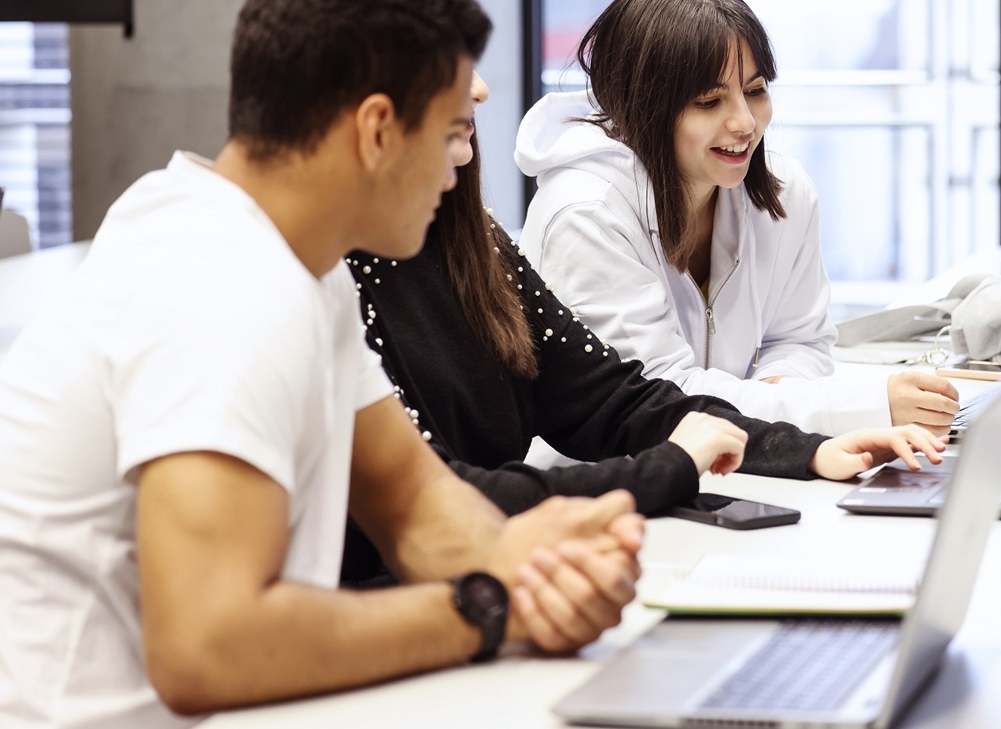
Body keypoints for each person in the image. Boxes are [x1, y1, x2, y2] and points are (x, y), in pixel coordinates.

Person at [0, 0, 643, 728]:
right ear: (375, 131)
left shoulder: (295, 261)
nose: (452, 172)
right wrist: (489, 608)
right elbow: (209, 647)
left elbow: (410, 500)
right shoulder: (223, 281)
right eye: (446, 134)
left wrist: (528, 564)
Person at [340, 73, 946, 580]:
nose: (479, 89)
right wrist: (671, 466)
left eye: (755, 90)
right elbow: (449, 498)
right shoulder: (331, 282)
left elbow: (612, 398)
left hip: (493, 570)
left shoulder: (468, 240)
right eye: (709, 100)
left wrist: (804, 450)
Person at [516, 0, 960, 438]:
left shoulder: (784, 193)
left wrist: (779, 404)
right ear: (640, 104)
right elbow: (655, 400)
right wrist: (851, 408)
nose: (746, 122)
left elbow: (800, 340)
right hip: (610, 486)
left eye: (755, 90)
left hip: (736, 459)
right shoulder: (586, 214)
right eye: (709, 101)